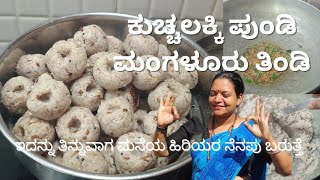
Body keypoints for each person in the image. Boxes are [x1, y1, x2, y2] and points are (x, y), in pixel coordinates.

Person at [153, 71, 292, 180]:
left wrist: (268, 139)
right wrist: (161, 126)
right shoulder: (197, 125)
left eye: (225, 95)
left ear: (239, 98)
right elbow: (162, 151)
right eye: (213, 94)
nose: (217, 99)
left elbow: (286, 169)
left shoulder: (250, 132)